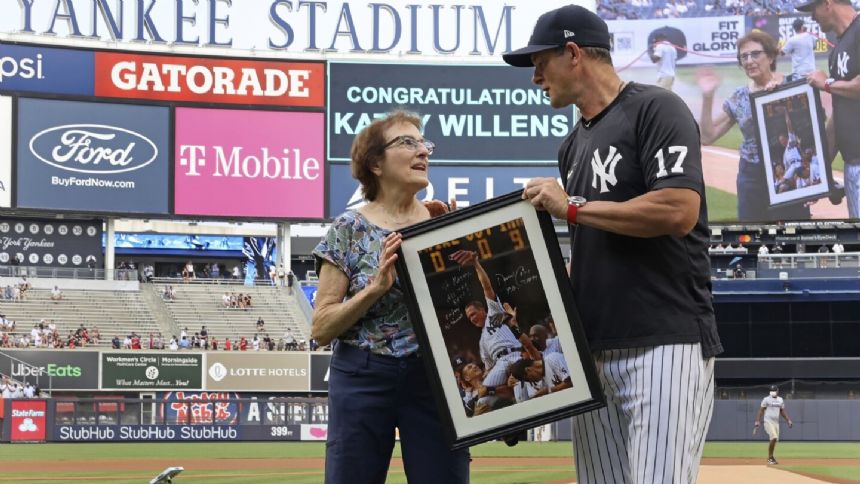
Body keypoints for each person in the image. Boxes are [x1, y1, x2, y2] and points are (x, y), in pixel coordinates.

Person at [504, 5, 722, 483]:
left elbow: (678, 210)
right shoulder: (572, 146)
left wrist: (574, 209)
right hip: (594, 350)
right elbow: (593, 247)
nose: (536, 77)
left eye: (540, 62)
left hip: (664, 341)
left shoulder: (655, 108)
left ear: (574, 53)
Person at [311, 111, 469, 483]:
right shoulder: (348, 227)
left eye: (424, 143)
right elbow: (320, 328)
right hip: (362, 376)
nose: (423, 152)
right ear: (375, 163)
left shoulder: (444, 221)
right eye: (407, 143)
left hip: (433, 378)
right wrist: (374, 289)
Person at [697, 31, 812, 222]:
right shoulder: (739, 97)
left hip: (786, 168)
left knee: (793, 232)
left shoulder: (793, 86)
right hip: (751, 175)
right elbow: (707, 137)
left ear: (771, 56)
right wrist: (707, 96)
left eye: (755, 54)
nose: (749, 61)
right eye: (744, 56)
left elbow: (810, 130)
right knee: (752, 233)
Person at [803, 0, 860, 219]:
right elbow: (839, 114)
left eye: (813, 9)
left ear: (827, 4)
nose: (812, 17)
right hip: (852, 164)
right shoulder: (837, 51)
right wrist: (819, 175)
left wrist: (826, 84)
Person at [754, 384, 793, 465]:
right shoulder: (766, 399)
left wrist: (788, 420)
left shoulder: (780, 400)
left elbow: (782, 411)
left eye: (774, 390)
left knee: (775, 440)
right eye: (772, 391)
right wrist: (758, 421)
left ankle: (771, 457)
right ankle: (770, 458)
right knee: (774, 437)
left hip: (776, 423)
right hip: (768, 421)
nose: (773, 392)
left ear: (777, 391)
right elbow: (761, 410)